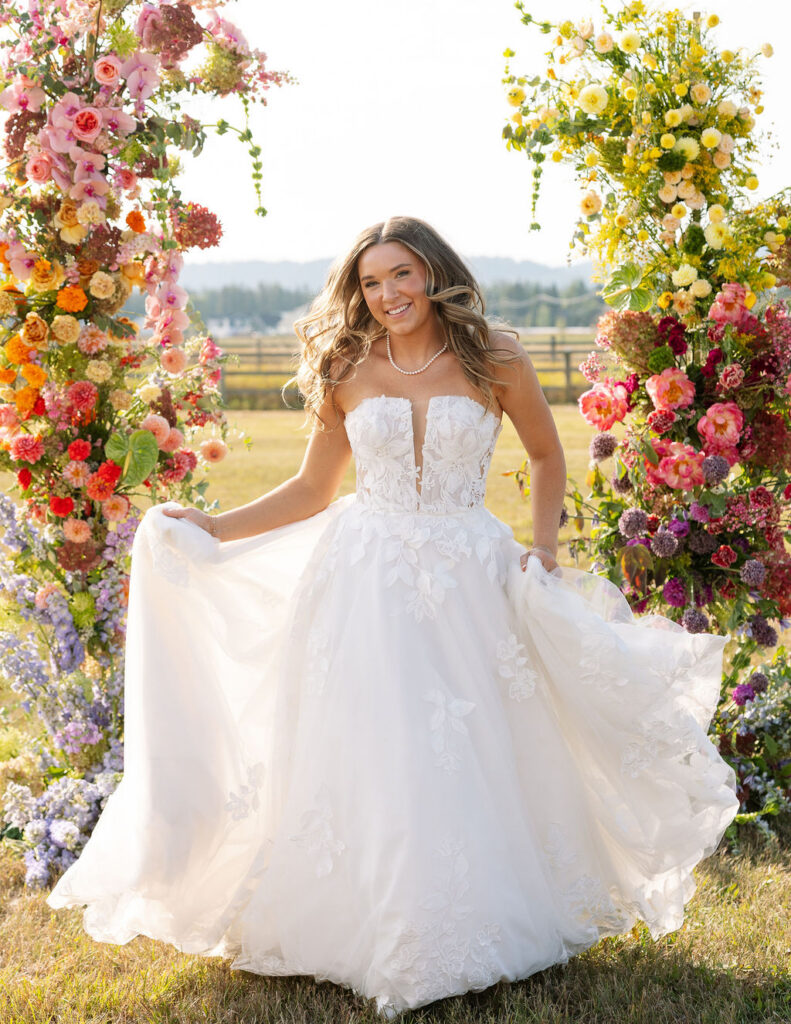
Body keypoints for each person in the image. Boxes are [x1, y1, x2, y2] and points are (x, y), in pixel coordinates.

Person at [47, 216, 739, 1017]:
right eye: (371, 283)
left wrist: (543, 547)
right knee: (375, 744)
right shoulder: (346, 363)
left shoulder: (495, 356)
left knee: (465, 742)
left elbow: (548, 456)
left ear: (433, 273)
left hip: (467, 576)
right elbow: (312, 488)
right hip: (362, 581)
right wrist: (213, 527)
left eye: (400, 276)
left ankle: (469, 914)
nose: (386, 296)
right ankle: (362, 922)